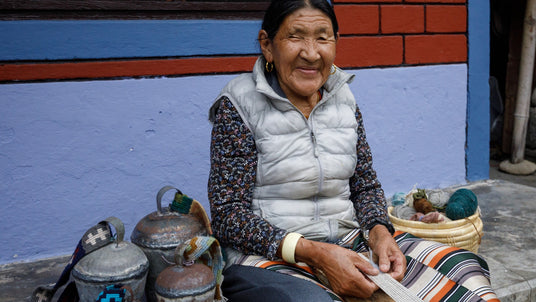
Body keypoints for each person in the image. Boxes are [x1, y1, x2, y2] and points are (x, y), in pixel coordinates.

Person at [208, 1, 498, 301]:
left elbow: (365, 185)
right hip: (270, 255)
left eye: (322, 37)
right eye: (295, 36)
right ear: (267, 45)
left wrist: (379, 232)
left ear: (336, 42)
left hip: (349, 241)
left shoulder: (342, 97)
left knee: (465, 268)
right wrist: (316, 253)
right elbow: (228, 215)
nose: (311, 52)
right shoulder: (239, 104)